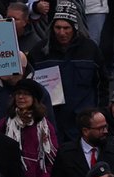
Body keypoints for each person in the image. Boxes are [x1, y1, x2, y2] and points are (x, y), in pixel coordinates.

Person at [33, 11, 105, 145]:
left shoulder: (90, 49)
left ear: (75, 28)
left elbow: (102, 83)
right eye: (58, 28)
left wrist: (100, 112)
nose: (61, 32)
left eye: (66, 28)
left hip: (82, 122)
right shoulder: (40, 51)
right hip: (52, 120)